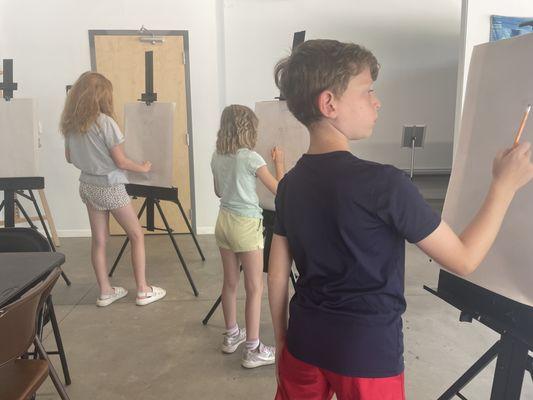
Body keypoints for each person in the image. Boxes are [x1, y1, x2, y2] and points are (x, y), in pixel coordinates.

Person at [267, 39, 533, 399]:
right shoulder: (385, 184)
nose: (377, 102)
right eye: (368, 92)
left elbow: (278, 270)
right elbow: (464, 259)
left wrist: (283, 339)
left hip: (304, 341)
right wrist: (503, 186)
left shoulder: (289, 184)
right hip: (367, 353)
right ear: (329, 103)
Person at [61, 71, 166, 307]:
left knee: (99, 240)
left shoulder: (71, 124)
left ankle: (105, 292)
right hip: (110, 186)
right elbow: (120, 161)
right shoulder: (105, 123)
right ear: (101, 96)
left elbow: (69, 158)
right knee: (137, 235)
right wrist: (143, 167)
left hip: (87, 186)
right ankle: (142, 290)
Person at [211, 104, 284, 368]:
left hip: (223, 223)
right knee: (254, 287)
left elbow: (219, 192)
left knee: (230, 282)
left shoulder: (217, 156)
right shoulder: (252, 158)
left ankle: (232, 335)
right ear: (248, 129)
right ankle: (253, 349)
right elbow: (280, 191)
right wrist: (279, 163)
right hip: (246, 225)